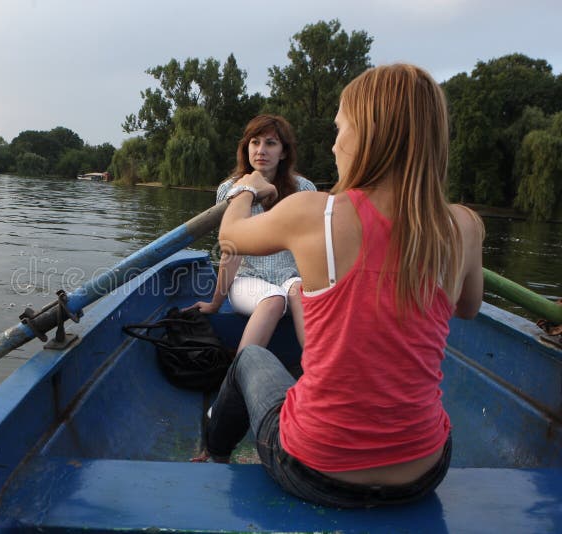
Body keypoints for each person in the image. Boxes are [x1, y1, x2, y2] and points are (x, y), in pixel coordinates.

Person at [199, 64, 485, 508]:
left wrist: (246, 189)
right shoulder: (464, 226)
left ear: (368, 137)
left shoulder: (315, 213)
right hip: (423, 472)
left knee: (250, 358)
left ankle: (212, 454)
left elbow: (230, 237)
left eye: (340, 129)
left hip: (315, 470)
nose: (334, 144)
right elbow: (468, 307)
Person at [186, 114, 316, 351]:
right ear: (246, 148)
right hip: (248, 279)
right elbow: (231, 250)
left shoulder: (304, 189)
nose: (261, 150)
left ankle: (318, 377)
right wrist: (216, 304)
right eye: (255, 142)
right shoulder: (231, 190)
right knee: (273, 300)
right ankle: (237, 378)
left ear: (283, 152)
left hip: (291, 277)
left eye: (270, 143)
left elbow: (311, 250)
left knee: (299, 294)